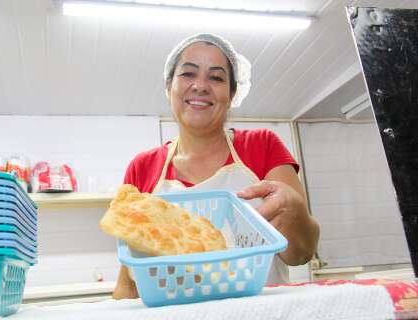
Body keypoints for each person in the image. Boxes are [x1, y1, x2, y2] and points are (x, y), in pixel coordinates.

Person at [112, 33, 320, 299]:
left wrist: (296, 213)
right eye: (188, 73)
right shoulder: (142, 167)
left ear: (232, 93)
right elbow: (128, 277)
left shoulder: (262, 146)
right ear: (168, 87)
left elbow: (300, 254)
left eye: (216, 77)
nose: (200, 85)